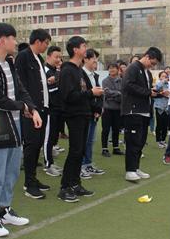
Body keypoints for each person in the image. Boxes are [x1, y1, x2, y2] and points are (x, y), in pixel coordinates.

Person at [0, 23, 41, 237]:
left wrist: (32, 108)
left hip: (14, 125)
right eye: (13, 38)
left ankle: (3, 209)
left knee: (12, 171)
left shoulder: (9, 63)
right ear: (2, 40)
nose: (16, 42)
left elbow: (21, 90)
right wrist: (23, 107)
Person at [57, 36, 103, 202]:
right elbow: (69, 96)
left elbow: (85, 92)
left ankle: (75, 183)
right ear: (75, 49)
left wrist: (95, 105)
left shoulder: (79, 70)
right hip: (74, 115)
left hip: (84, 114)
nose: (86, 49)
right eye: (83, 46)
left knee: (81, 150)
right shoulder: (67, 70)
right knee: (75, 150)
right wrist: (91, 93)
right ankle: (65, 187)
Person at [14, 29, 52, 199]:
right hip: (31, 110)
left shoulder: (39, 58)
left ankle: (33, 179)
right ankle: (29, 183)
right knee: (31, 145)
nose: (46, 46)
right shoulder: (23, 57)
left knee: (37, 144)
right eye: (46, 43)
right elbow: (20, 85)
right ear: (38, 41)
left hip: (42, 108)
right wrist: (28, 107)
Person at [121, 47, 162, 181]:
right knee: (132, 141)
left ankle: (136, 167)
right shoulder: (133, 68)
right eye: (152, 63)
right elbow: (128, 86)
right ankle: (130, 170)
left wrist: (158, 93)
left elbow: (146, 90)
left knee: (140, 141)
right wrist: (148, 92)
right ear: (147, 57)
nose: (152, 66)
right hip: (133, 110)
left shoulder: (147, 72)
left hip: (144, 111)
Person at [81, 49, 105, 178]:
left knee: (90, 140)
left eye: (96, 59)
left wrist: (98, 110)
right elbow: (84, 95)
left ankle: (88, 164)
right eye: (93, 58)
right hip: (84, 112)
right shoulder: (80, 74)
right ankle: (81, 166)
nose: (96, 61)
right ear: (86, 59)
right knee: (83, 141)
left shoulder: (95, 75)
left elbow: (99, 94)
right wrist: (94, 108)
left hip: (94, 113)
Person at [44, 45, 64, 177]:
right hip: (49, 110)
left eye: (60, 57)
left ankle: (50, 162)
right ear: (48, 57)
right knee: (48, 138)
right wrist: (54, 82)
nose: (58, 60)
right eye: (56, 57)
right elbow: (48, 90)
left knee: (53, 137)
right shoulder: (45, 70)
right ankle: (48, 165)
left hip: (57, 109)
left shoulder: (56, 71)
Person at [101, 63, 123, 157]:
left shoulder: (121, 81)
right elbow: (106, 93)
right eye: (110, 68)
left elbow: (123, 94)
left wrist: (114, 94)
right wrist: (118, 93)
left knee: (116, 129)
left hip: (118, 108)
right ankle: (104, 149)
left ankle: (116, 148)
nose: (111, 69)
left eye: (113, 68)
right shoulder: (105, 81)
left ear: (118, 69)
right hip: (107, 108)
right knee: (105, 129)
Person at [153, 71, 170, 149]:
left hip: (167, 107)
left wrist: (168, 94)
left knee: (165, 125)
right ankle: (158, 140)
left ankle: (163, 140)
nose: (164, 78)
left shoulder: (169, 84)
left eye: (166, 76)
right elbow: (155, 90)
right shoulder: (158, 83)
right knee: (159, 124)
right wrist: (162, 92)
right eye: (162, 76)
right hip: (159, 106)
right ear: (159, 77)